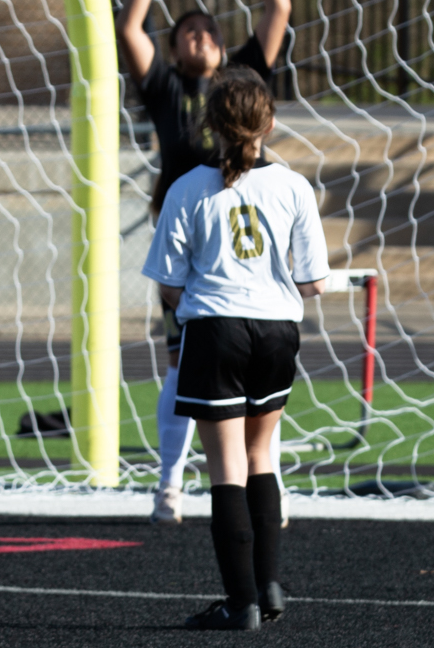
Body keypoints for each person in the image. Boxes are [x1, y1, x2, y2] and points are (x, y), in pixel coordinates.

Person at [117, 0, 293, 526]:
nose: (202, 35)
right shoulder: (166, 86)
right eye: (189, 30)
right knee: (181, 361)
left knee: (254, 363)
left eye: (210, 29)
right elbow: (130, 29)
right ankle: (170, 484)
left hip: (245, 236)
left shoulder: (241, 79)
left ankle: (265, 481)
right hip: (189, 240)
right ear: (175, 48)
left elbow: (279, 7)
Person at [142, 67, 327, 630]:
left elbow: (168, 284)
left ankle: (240, 602)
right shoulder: (293, 186)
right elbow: (314, 281)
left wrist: (208, 295)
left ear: (211, 125)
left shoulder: (186, 188)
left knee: (226, 467)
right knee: (260, 456)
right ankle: (268, 587)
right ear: (268, 124)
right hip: (277, 332)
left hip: (215, 330)